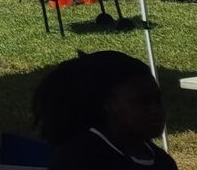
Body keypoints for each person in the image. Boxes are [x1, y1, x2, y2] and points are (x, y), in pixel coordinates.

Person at [33, 50, 175, 170]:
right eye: (140, 102)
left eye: (157, 100)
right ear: (107, 103)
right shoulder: (80, 160)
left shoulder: (162, 162)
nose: (155, 110)